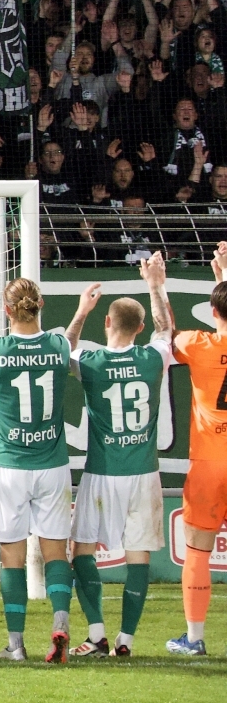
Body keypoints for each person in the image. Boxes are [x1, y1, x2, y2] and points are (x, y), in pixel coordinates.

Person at [64, 260, 170, 658]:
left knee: (82, 552)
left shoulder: (91, 363)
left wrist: (81, 311)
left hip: (103, 472)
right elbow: (165, 329)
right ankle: (125, 641)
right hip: (144, 472)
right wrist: (155, 286)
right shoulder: (152, 359)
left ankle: (96, 635)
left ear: (107, 321)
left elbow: (65, 349)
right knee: (138, 555)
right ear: (138, 328)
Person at [0, 277, 76, 663]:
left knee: (11, 557)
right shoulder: (57, 345)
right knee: (55, 552)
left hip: (9, 466)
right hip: (51, 464)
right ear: (42, 304)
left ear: (6, 310)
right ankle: (61, 622)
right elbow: (67, 341)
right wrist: (81, 311)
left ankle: (16, 645)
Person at [166, 240, 227, 657]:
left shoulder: (200, 344)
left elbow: (165, 334)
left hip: (209, 462)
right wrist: (223, 277)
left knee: (197, 550)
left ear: (214, 310)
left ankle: (194, 637)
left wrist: (156, 286)